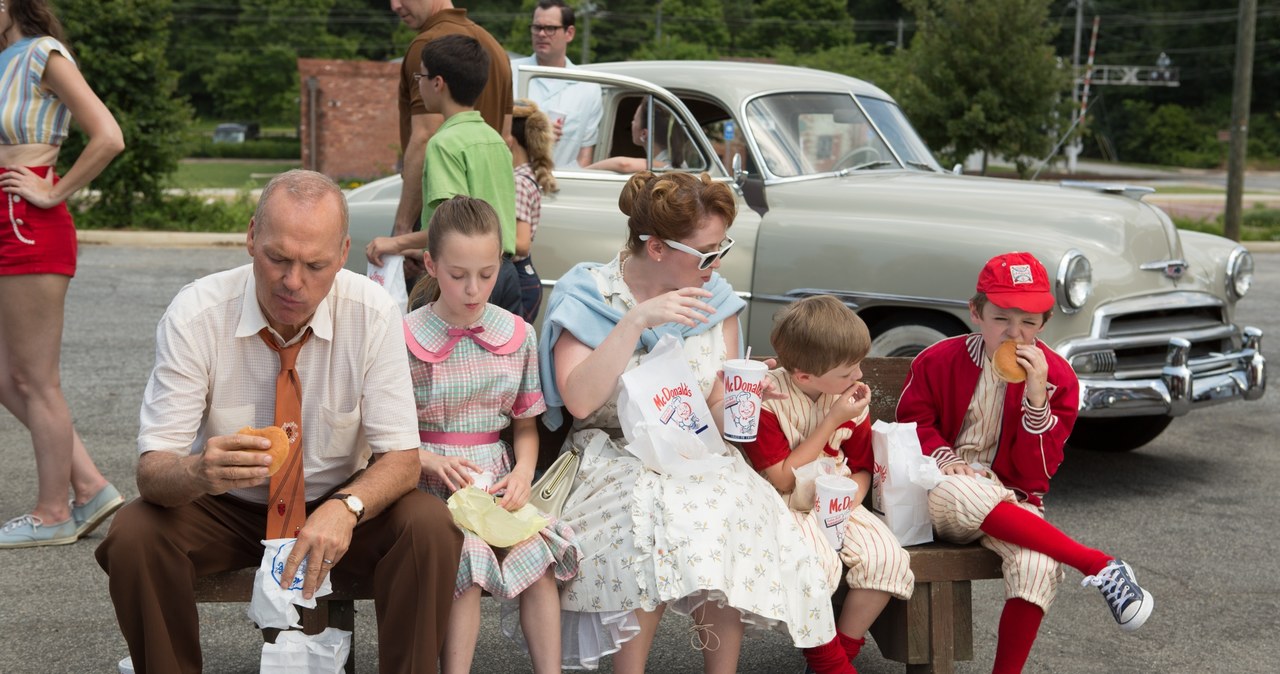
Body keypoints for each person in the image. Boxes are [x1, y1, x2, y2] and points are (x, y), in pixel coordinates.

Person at [94, 170, 464, 674]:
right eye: (278, 258)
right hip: (229, 506)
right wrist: (200, 471)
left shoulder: (372, 312)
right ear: (251, 237)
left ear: (343, 254)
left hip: (337, 504)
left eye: (314, 264)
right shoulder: (197, 313)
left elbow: (400, 459)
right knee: (135, 532)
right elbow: (153, 469)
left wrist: (347, 506)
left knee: (429, 527)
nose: (293, 281)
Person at [538, 170, 836, 672]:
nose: (718, 264)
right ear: (656, 247)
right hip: (611, 454)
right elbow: (581, 402)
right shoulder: (590, 295)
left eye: (723, 248)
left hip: (693, 451)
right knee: (654, 517)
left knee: (724, 514)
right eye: (707, 253)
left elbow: (715, 410)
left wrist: (744, 396)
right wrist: (637, 321)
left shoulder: (714, 301)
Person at [896, 251, 1155, 673]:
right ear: (976, 312)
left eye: (1029, 322)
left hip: (1012, 503)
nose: (1014, 333)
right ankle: (1097, 563)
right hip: (937, 495)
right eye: (1001, 318)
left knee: (1038, 564)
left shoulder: (1058, 378)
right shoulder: (939, 359)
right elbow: (912, 425)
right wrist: (945, 458)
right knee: (961, 488)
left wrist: (1037, 401)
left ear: (1044, 324)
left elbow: (1036, 476)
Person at [405, 195, 578, 674]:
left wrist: (524, 471)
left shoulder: (517, 334)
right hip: (430, 483)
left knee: (538, 562)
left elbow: (525, 426)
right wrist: (427, 459)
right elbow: (386, 436)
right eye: (458, 275)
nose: (473, 288)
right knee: (470, 565)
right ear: (430, 264)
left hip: (497, 480)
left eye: (486, 273)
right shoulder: (405, 337)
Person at [0, 0, 125, 549]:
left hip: (28, 223)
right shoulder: (6, 59)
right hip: (8, 222)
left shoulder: (40, 55)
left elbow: (108, 135)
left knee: (35, 379)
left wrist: (52, 190)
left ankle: (54, 512)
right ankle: (90, 486)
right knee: (7, 377)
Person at [742, 295, 914, 674]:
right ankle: (830, 663)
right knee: (814, 564)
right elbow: (783, 478)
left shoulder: (849, 396)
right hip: (783, 504)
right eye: (847, 371)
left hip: (838, 497)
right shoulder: (767, 401)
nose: (858, 377)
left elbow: (864, 467)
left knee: (886, 559)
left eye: (858, 365)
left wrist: (853, 496)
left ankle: (836, 659)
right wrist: (832, 419)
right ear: (803, 376)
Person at [368, 33, 522, 317]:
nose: (419, 82)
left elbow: (450, 229)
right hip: (502, 273)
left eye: (421, 76)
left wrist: (394, 243)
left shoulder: (443, 143)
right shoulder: (494, 139)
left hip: (465, 280)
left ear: (437, 83)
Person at [389, 0, 513, 288]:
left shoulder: (429, 46)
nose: (394, 5)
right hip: (497, 260)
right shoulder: (493, 47)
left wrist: (400, 233)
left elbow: (425, 135)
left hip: (453, 257)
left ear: (437, 83)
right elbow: (506, 136)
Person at [509, 0, 603, 169]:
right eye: (537, 27)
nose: (542, 34)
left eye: (550, 28)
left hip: (563, 187)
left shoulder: (588, 87)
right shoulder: (510, 73)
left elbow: (585, 154)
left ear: (570, 33)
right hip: (515, 182)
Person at [510, 98, 557, 323]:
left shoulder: (518, 181)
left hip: (518, 279)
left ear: (510, 140)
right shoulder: (526, 175)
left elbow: (521, 243)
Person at [586, 98, 671, 174]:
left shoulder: (669, 164)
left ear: (644, 134)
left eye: (634, 119)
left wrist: (584, 171)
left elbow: (624, 164)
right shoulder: (667, 158)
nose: (632, 123)